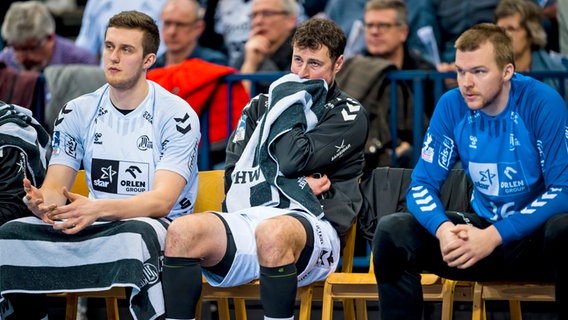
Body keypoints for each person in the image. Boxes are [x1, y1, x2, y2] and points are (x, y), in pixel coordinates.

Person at [161, 17, 368, 320]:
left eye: (315, 64)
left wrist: (289, 103)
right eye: (297, 60)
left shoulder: (348, 113)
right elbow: (234, 173)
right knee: (181, 233)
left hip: (315, 222)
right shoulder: (258, 105)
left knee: (273, 233)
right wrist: (292, 185)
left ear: (338, 64)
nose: (301, 73)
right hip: (251, 215)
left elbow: (290, 160)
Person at [0, 10, 200, 320]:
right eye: (109, 47)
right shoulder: (77, 111)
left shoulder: (177, 115)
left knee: (136, 234)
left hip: (161, 226)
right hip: (97, 222)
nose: (113, 57)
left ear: (149, 59)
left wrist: (97, 208)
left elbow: (162, 202)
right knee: (11, 234)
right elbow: (56, 186)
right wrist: (42, 202)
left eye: (126, 49)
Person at [372, 23, 568, 319]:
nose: (466, 83)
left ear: (507, 72)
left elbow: (564, 190)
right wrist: (443, 229)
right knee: (392, 232)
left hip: (533, 239)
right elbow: (421, 184)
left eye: (479, 71)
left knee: (564, 230)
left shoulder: (542, 102)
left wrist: (495, 235)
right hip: (477, 236)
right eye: (460, 71)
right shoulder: (452, 105)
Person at [338, 0, 436, 169]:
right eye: (369, 26)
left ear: (403, 32)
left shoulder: (425, 72)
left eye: (383, 26)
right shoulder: (353, 68)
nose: (374, 32)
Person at [495, 0, 568, 96]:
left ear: (530, 34)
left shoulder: (558, 71)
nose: (503, 36)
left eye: (511, 29)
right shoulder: (488, 72)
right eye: (499, 30)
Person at [0, 1, 97, 72]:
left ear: (50, 38)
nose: (20, 57)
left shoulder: (82, 63)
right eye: (16, 48)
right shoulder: (4, 62)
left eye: (29, 49)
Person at [236, 0, 298, 94]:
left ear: (290, 20)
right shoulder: (249, 51)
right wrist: (250, 65)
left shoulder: (303, 52)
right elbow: (234, 105)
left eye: (267, 14)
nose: (258, 21)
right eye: (254, 15)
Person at [75, 0, 167, 63]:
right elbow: (85, 47)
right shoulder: (96, 2)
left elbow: (167, 49)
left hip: (152, 73)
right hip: (105, 77)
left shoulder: (164, 4)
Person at [151, 0, 228, 69]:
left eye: (180, 24)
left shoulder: (214, 65)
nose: (172, 32)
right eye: (167, 23)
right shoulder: (152, 66)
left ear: (198, 28)